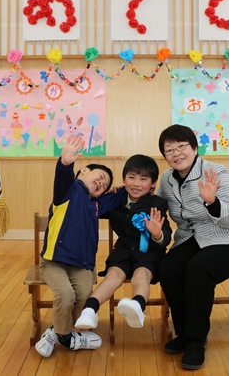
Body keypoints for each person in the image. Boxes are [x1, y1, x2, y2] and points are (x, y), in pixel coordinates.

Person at [156, 124, 229, 370]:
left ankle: (196, 340)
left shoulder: (216, 171)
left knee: (198, 268)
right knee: (168, 268)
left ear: (194, 148)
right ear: (164, 155)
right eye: (169, 150)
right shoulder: (167, 179)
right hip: (192, 239)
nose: (176, 153)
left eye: (182, 147)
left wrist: (212, 202)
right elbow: (153, 204)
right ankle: (184, 333)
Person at [34, 134, 126, 358]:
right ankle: (67, 338)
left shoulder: (97, 204)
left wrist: (124, 187)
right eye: (100, 177)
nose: (101, 183)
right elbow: (63, 175)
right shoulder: (68, 191)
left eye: (105, 185)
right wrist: (65, 162)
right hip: (54, 262)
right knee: (66, 295)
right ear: (83, 170)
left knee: (85, 296)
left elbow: (127, 193)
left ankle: (54, 332)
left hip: (82, 265)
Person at [74, 154, 172, 331]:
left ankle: (137, 307)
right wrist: (105, 191)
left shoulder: (158, 203)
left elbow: (166, 236)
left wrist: (157, 234)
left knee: (141, 276)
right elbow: (90, 205)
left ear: (153, 184)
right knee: (112, 276)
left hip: (148, 254)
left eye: (143, 179)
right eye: (131, 177)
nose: (136, 184)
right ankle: (89, 311)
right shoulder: (115, 200)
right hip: (122, 252)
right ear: (124, 179)